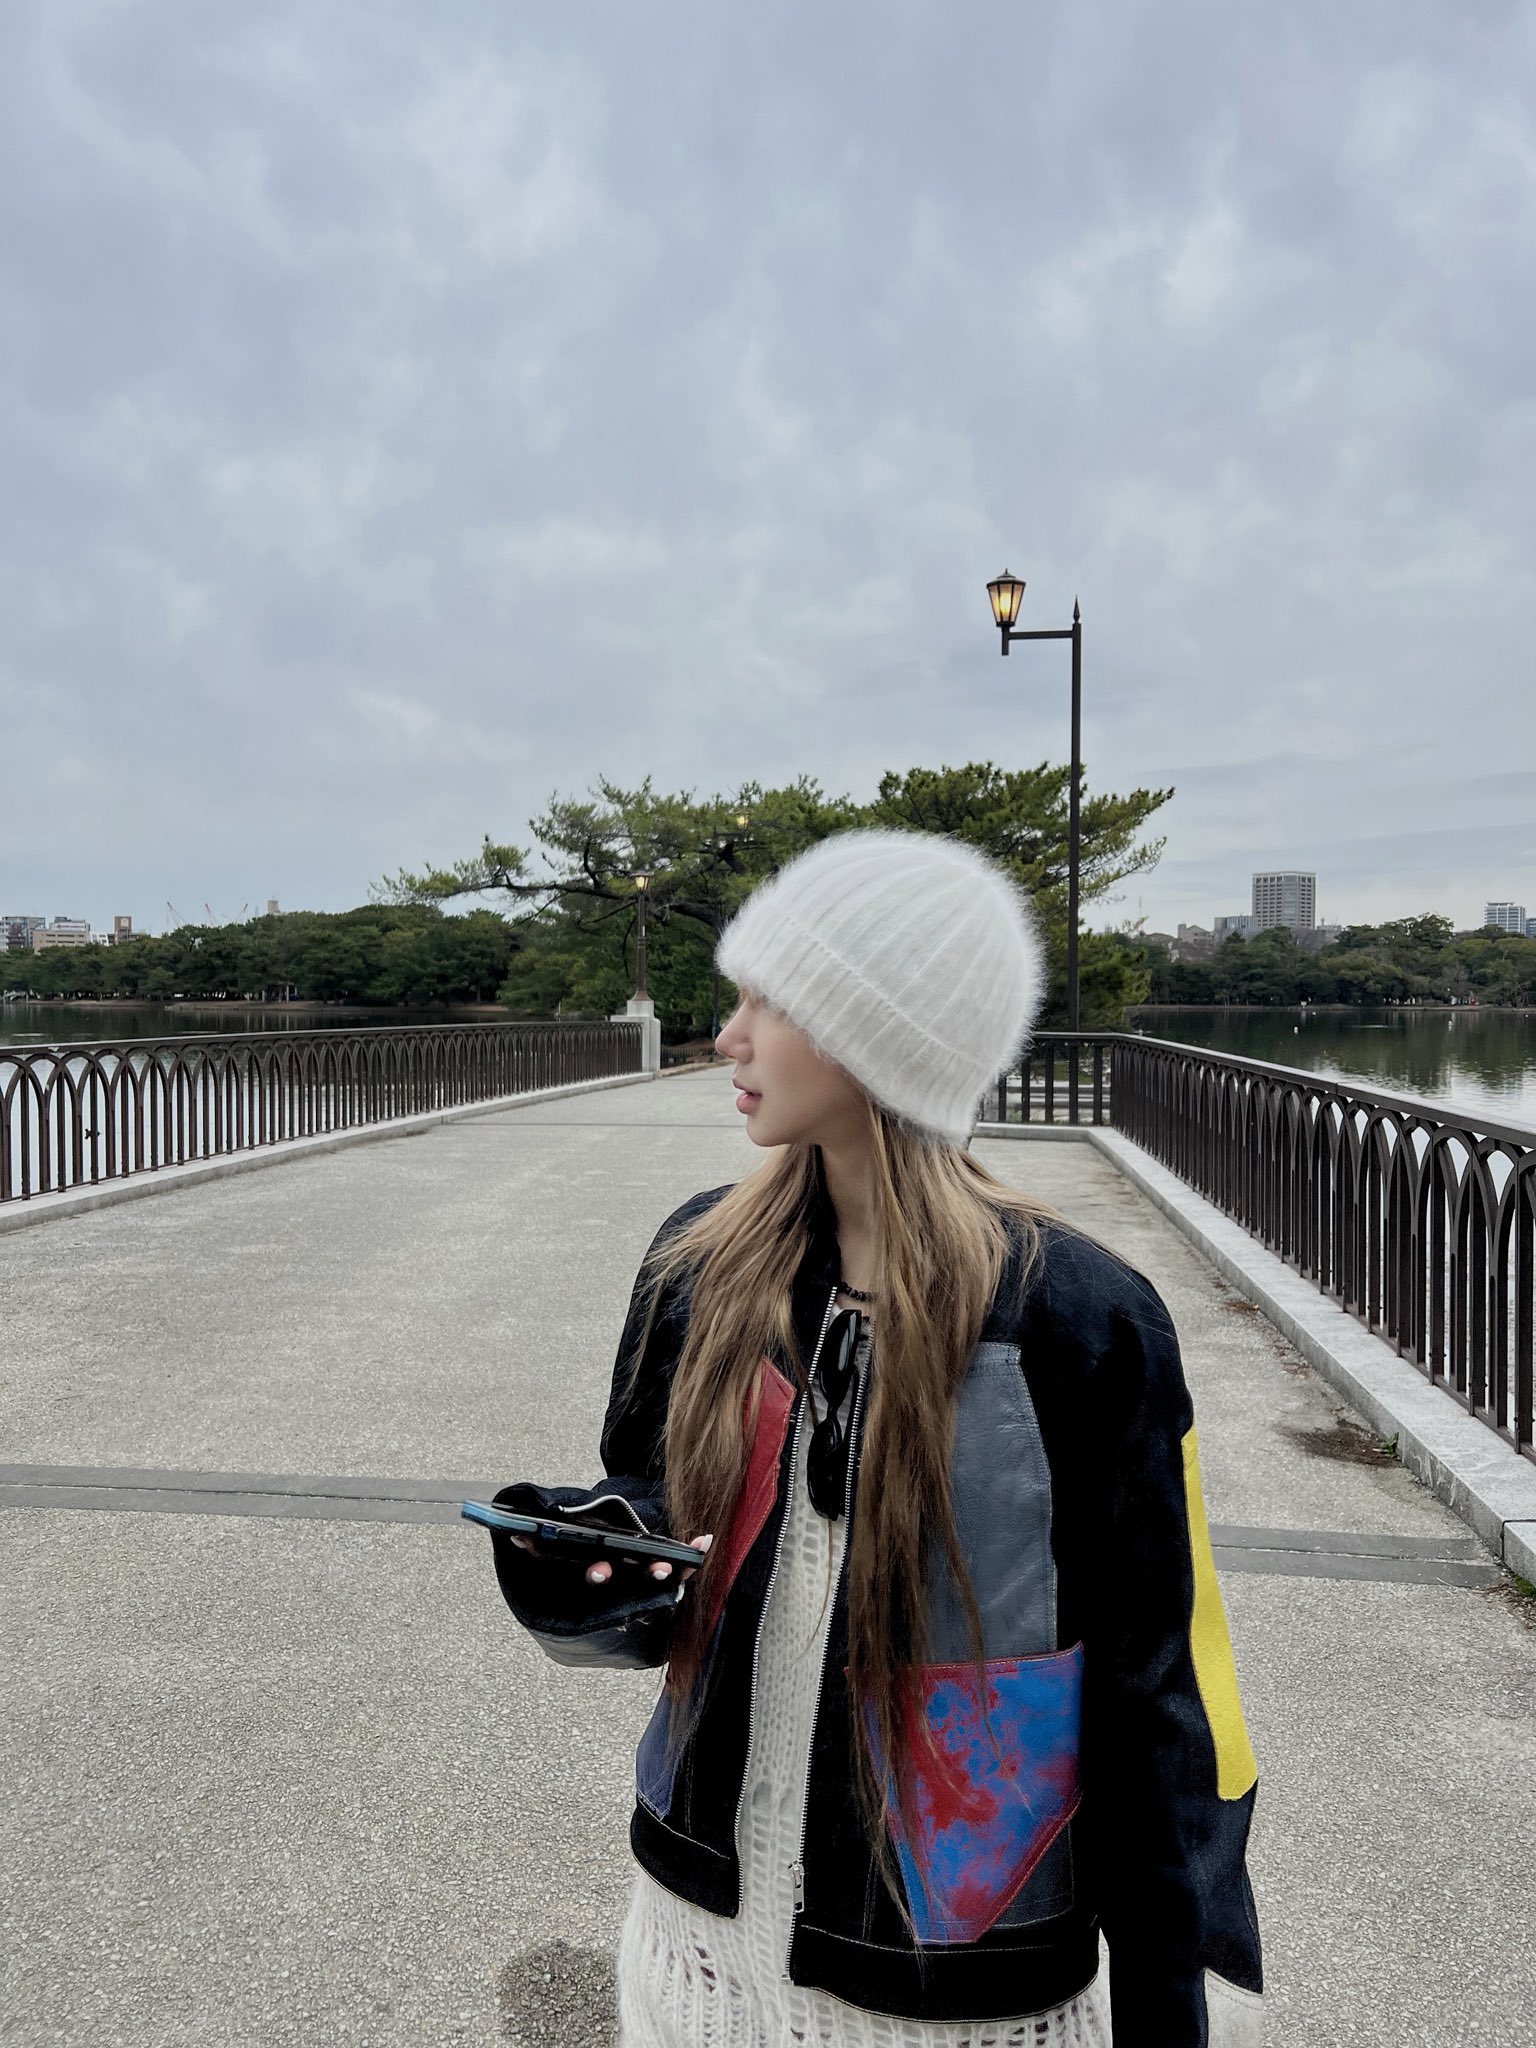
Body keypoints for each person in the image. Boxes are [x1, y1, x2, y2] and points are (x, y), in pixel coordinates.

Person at [487, 828, 1264, 2047]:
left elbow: (1159, 1693)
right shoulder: (698, 1265)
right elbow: (651, 1500)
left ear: (881, 1035)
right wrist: (590, 1559)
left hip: (955, 1990)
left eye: (770, 1001)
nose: (727, 1037)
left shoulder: (1079, 1320)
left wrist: (1169, 2009)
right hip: (692, 1953)